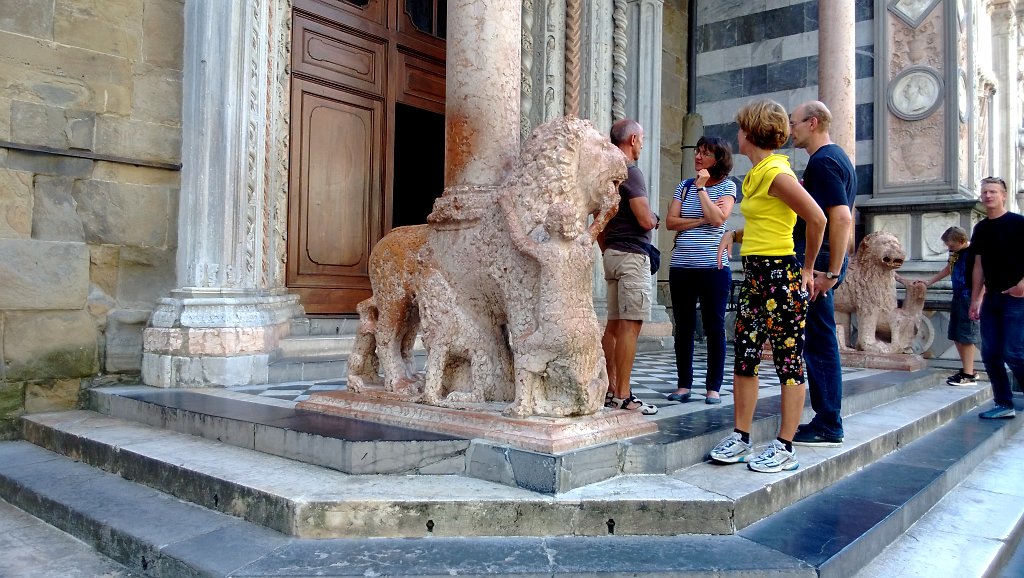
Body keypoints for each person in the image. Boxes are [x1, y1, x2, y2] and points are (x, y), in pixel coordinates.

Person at [708, 99, 826, 473]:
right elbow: (768, 223)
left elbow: (817, 218)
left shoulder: (777, 174)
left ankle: (785, 446)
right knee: (745, 358)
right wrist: (735, 234)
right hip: (757, 277)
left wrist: (809, 269)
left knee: (789, 364)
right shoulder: (760, 173)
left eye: (741, 129)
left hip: (781, 279)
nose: (737, 135)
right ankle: (742, 438)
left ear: (750, 133)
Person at [787, 101, 856, 448]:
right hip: (826, 264)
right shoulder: (836, 158)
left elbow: (841, 218)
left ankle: (828, 422)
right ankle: (827, 419)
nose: (790, 128)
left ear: (812, 123)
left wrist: (828, 270)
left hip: (819, 268)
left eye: (794, 122)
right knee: (819, 341)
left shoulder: (824, 161)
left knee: (819, 344)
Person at [665, 137, 737, 405]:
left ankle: (713, 388)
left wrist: (702, 189)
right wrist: (701, 219)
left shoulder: (727, 187)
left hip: (713, 269)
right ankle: (684, 385)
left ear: (717, 159)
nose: (697, 156)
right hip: (682, 266)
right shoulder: (683, 186)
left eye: (704, 153)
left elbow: (720, 218)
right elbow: (671, 222)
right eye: (697, 151)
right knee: (683, 327)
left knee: (714, 327)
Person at [599, 119, 659, 415]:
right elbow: (645, 219)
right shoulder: (630, 172)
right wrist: (655, 219)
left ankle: (611, 389)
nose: (643, 143)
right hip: (632, 255)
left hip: (611, 253)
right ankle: (623, 394)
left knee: (612, 325)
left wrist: (607, 250)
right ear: (633, 139)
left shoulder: (606, 174)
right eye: (642, 138)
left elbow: (599, 224)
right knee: (630, 325)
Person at [968, 176, 1024, 419]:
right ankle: (1004, 403)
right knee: (990, 353)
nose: (988, 195)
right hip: (991, 299)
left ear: (1003, 195)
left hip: (1017, 298)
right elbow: (978, 265)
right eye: (984, 192)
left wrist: (1022, 286)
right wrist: (975, 298)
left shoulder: (1019, 223)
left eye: (993, 191)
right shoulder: (980, 228)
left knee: (1013, 352)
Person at [918, 226, 980, 386]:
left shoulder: (973, 253)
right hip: (958, 296)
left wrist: (977, 299)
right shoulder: (956, 253)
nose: (949, 248)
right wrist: (929, 282)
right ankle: (967, 370)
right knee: (956, 334)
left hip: (968, 297)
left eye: (951, 245)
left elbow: (981, 277)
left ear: (961, 241)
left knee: (966, 335)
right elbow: (948, 269)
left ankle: (969, 374)